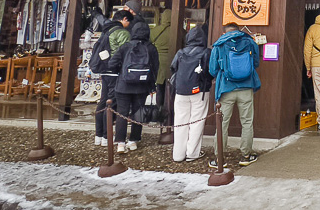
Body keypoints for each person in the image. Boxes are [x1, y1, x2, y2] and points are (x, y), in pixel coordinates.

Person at [209, 23, 261, 168]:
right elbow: (256, 63)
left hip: (226, 88)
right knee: (247, 122)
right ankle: (246, 156)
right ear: (239, 31)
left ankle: (219, 159)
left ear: (224, 32)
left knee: (222, 123)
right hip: (246, 87)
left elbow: (212, 69)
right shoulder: (250, 42)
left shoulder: (219, 44)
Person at [108, 21, 159, 153]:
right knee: (138, 113)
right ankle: (133, 141)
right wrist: (151, 86)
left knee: (122, 113)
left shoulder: (125, 47)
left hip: (123, 85)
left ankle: (120, 143)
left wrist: (121, 71)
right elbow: (155, 69)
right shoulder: (151, 48)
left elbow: (112, 64)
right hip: (142, 86)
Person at [169, 27, 212, 162]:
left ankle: (178, 154)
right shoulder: (206, 52)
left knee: (180, 122)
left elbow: (173, 68)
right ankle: (192, 153)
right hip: (200, 91)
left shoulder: (180, 52)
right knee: (197, 122)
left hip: (181, 91)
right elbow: (210, 71)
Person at [93, 10, 132, 147]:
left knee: (103, 101)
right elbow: (124, 53)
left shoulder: (107, 30)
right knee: (111, 103)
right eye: (129, 22)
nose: (129, 25)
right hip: (114, 71)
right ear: (125, 19)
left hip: (104, 69)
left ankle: (98, 135)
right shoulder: (122, 32)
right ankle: (106, 136)